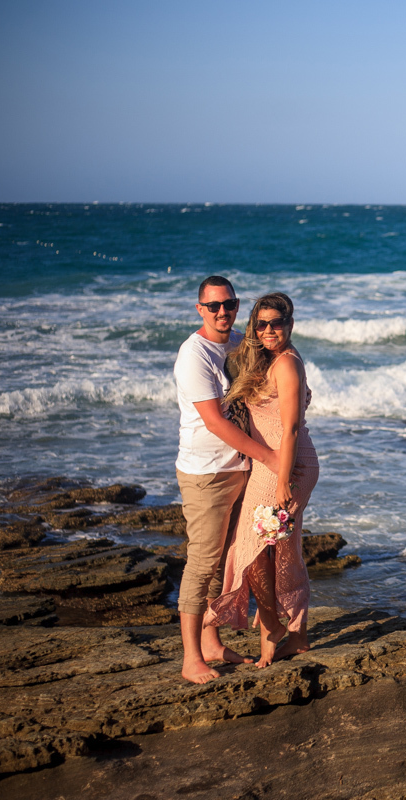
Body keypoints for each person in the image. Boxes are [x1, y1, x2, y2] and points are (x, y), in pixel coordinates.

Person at [174, 276, 282, 684]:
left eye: (230, 304)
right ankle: (190, 658)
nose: (223, 312)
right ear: (199, 308)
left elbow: (276, 374)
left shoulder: (240, 342)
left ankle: (211, 642)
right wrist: (271, 457)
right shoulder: (193, 355)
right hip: (207, 473)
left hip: (242, 467)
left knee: (224, 560)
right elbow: (216, 422)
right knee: (201, 563)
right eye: (214, 306)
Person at [205, 292, 318, 667]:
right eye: (262, 324)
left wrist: (283, 479)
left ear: (290, 324)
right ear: (254, 327)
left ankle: (272, 626)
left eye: (278, 323)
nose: (270, 330)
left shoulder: (286, 364)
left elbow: (290, 428)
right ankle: (296, 633)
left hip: (285, 466)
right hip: (276, 464)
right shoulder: (270, 359)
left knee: (252, 550)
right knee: (279, 550)